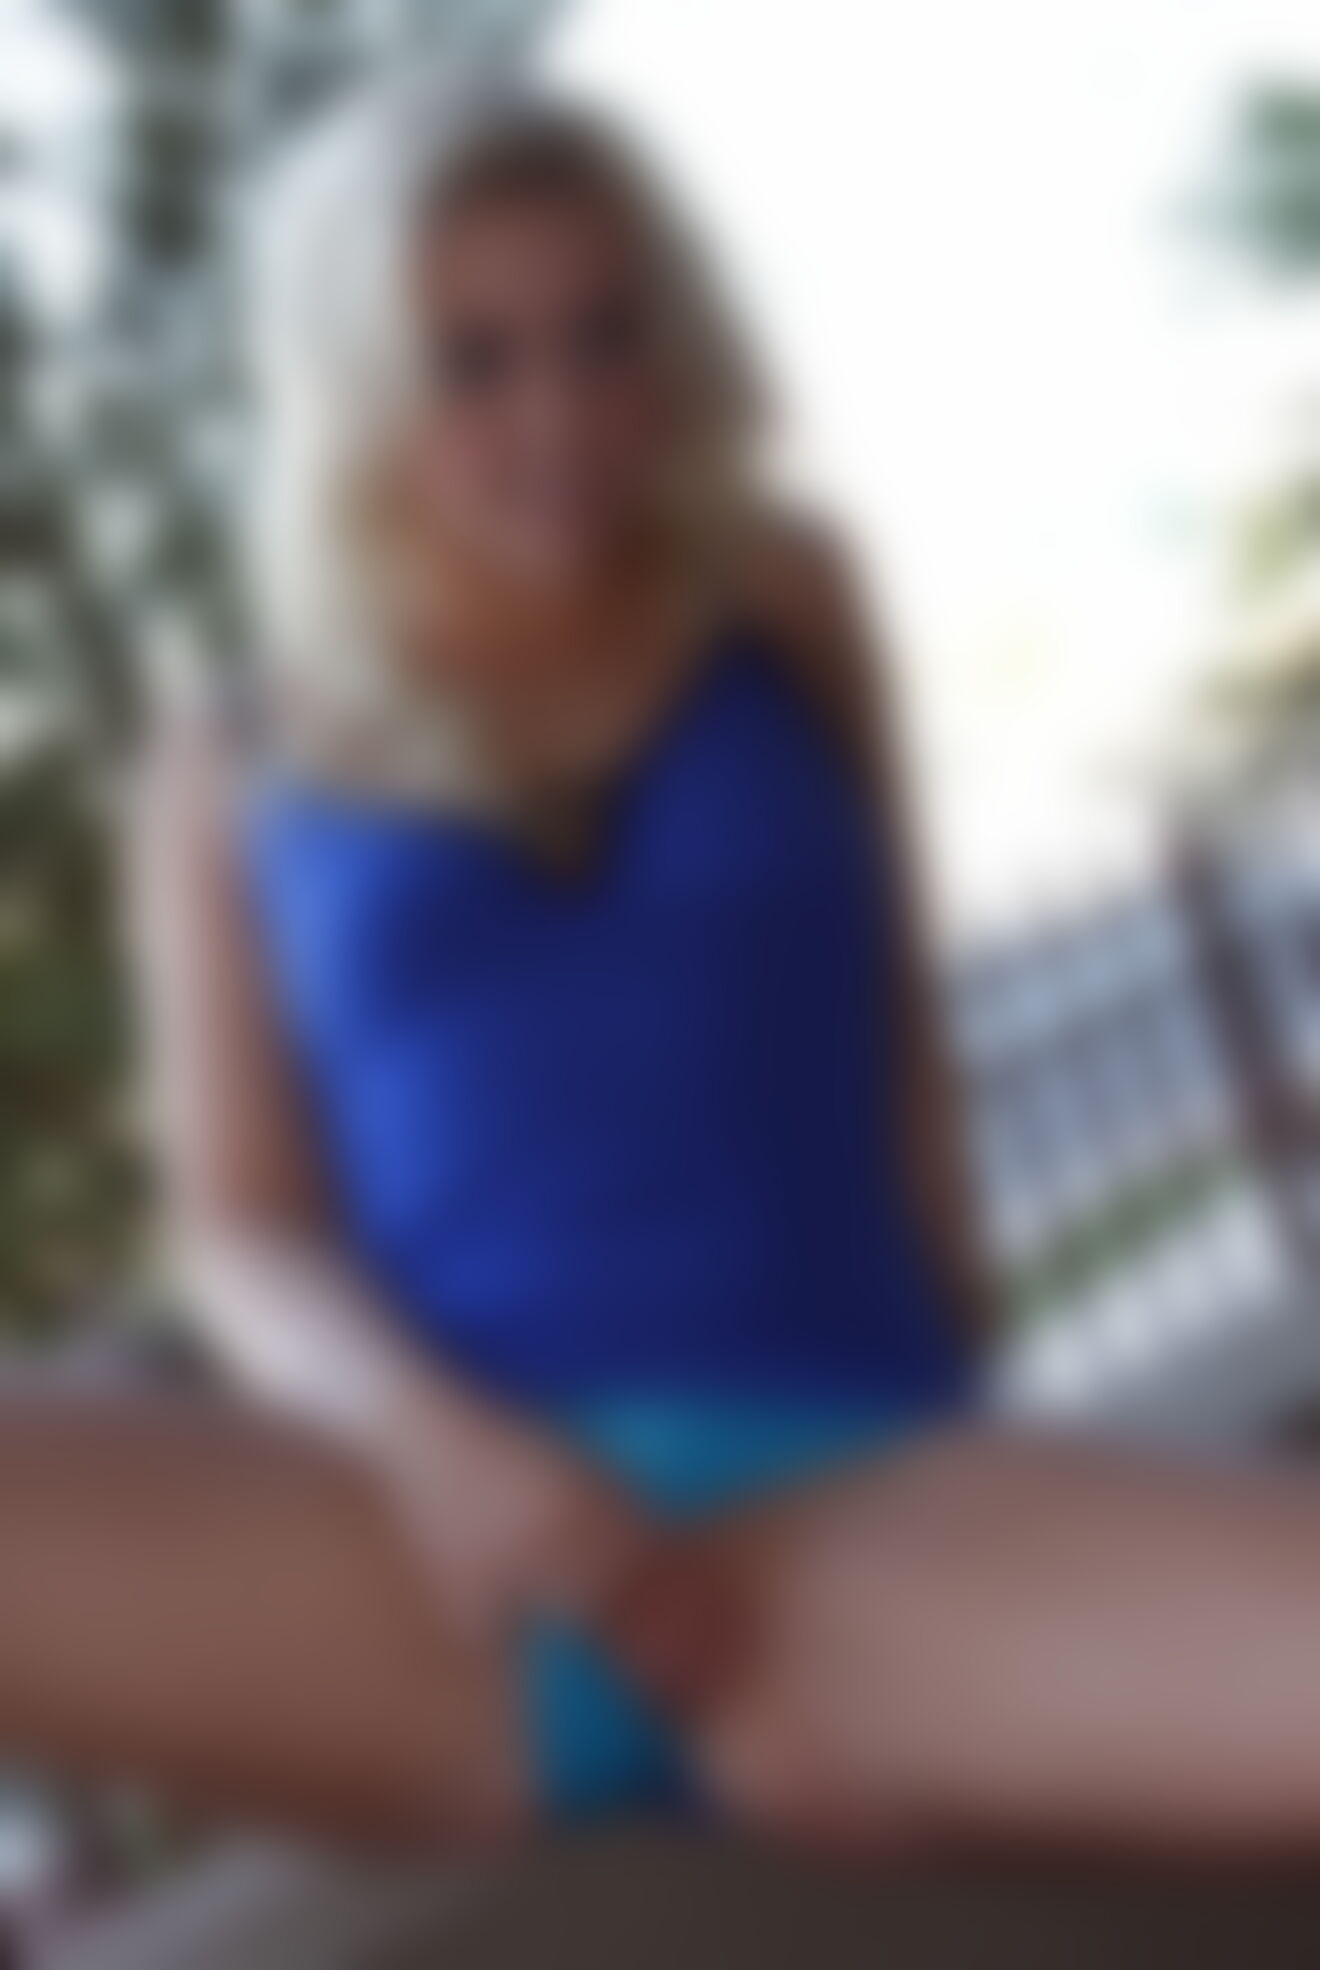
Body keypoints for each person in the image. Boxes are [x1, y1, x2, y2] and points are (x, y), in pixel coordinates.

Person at [10, 72, 1320, 1855]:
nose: (559, 414)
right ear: (356, 387)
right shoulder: (226, 754)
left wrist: (984, 1417)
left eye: (603, 335)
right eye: (471, 363)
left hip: (844, 1500)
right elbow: (244, 1232)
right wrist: (451, 1457)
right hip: (443, 1568)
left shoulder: (781, 593)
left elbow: (898, 1029)